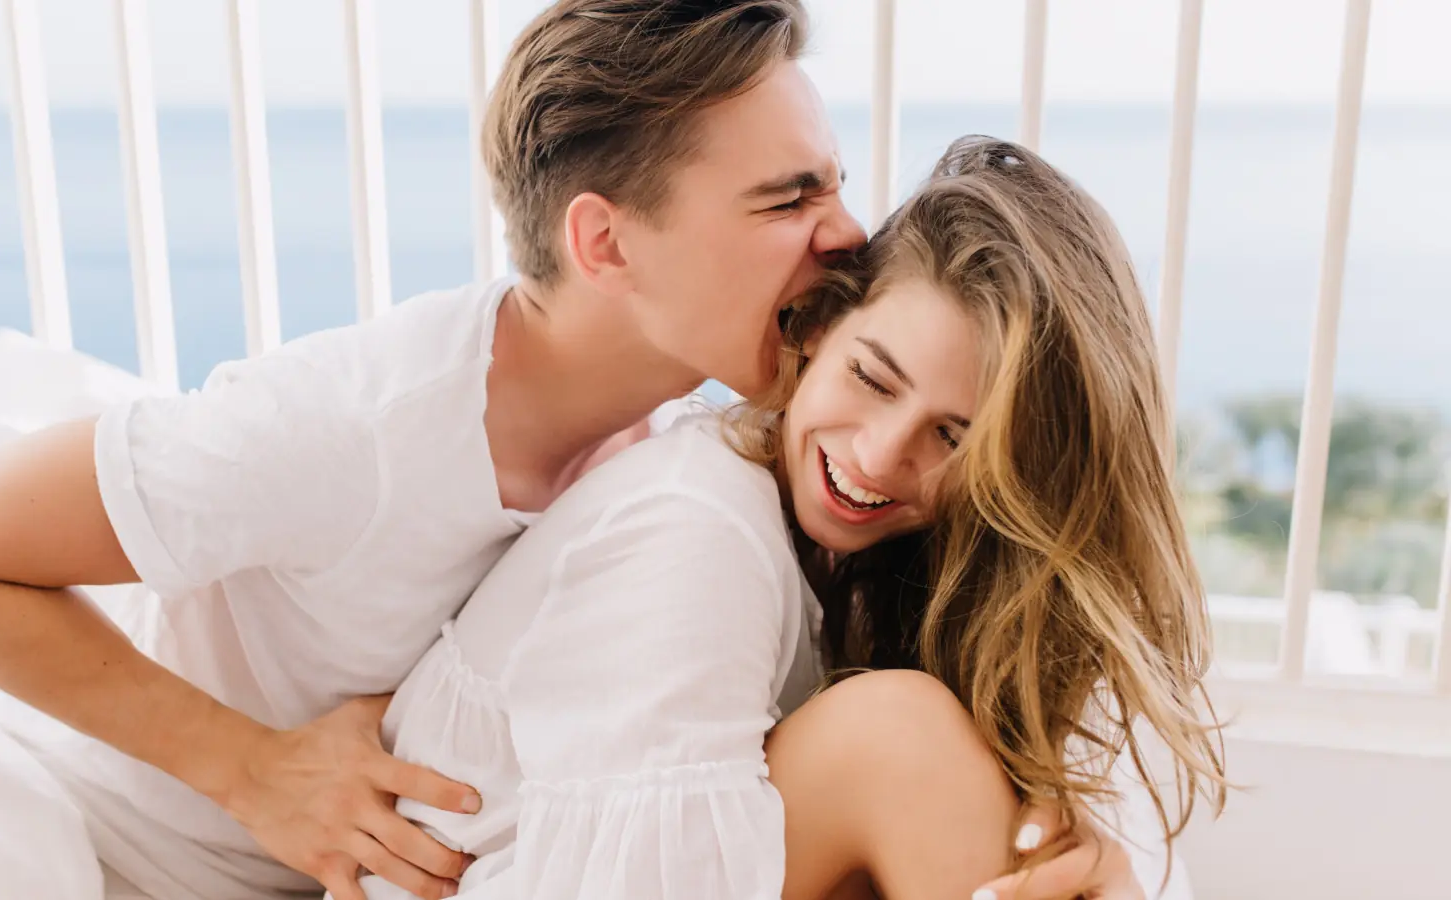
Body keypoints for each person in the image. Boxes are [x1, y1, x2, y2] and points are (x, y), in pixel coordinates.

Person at [338, 137, 1225, 900]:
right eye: (872, 378)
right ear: (817, 330)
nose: (879, 455)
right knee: (900, 741)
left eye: (953, 436)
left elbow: (1116, 813)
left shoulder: (909, 566)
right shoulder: (701, 523)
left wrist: (1099, 852)